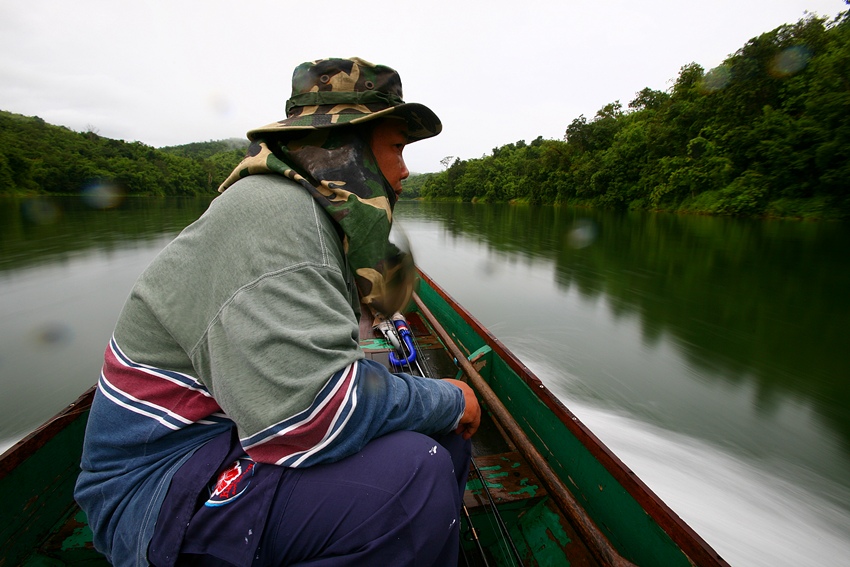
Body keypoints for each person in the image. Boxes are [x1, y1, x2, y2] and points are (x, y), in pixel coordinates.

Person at [74, 57, 481, 567]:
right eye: (397, 148)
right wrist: (450, 395)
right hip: (154, 489)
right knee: (413, 478)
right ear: (342, 147)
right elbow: (309, 419)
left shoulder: (309, 215)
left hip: (226, 437)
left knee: (443, 440)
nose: (403, 174)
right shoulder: (276, 214)